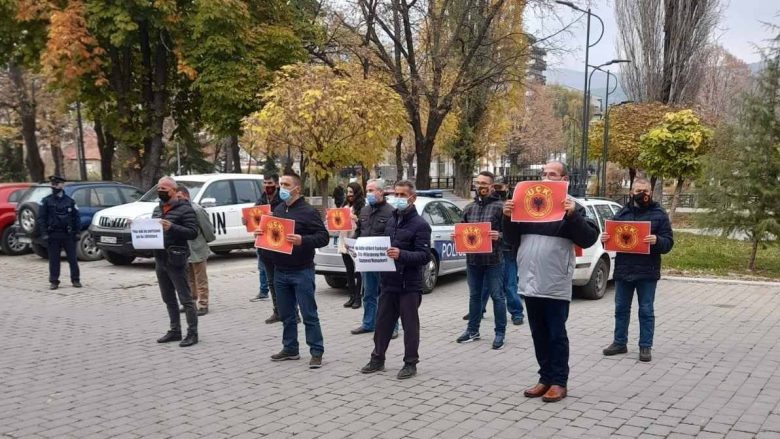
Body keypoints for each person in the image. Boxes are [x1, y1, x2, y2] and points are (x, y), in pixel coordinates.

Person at [503, 161, 599, 402]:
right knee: (538, 333)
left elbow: (588, 239)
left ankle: (559, 381)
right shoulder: (527, 205)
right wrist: (507, 217)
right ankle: (544, 378)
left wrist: (572, 216)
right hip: (529, 280)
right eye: (544, 174)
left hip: (555, 281)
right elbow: (512, 240)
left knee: (556, 334)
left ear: (564, 179)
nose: (546, 178)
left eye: (552, 174)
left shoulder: (571, 207)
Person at [361, 180, 431, 379]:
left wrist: (401, 254)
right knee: (382, 323)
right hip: (389, 282)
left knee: (410, 326)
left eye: (402, 195)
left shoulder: (421, 225)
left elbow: (424, 256)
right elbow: (384, 248)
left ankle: (410, 363)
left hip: (409, 284)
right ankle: (377, 358)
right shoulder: (391, 221)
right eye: (396, 195)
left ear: (412, 198)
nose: (398, 199)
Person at [601, 177, 673, 362]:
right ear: (631, 192)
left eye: (646, 191)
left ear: (651, 192)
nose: (642, 194)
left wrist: (657, 241)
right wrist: (605, 239)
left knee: (646, 310)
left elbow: (668, 242)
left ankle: (645, 346)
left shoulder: (659, 214)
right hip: (624, 270)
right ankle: (619, 342)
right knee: (621, 308)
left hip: (647, 271)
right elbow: (612, 240)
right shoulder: (622, 213)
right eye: (638, 190)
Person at [264, 171, 329, 368]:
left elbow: (323, 237)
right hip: (280, 270)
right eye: (280, 184)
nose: (281, 188)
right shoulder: (278, 208)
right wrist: (261, 231)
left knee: (309, 313)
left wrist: (303, 240)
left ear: (297, 189)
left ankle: (316, 351)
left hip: (302, 270)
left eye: (285, 184)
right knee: (286, 314)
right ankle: (290, 348)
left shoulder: (308, 212)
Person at [455, 171, 507, 349]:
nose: (481, 186)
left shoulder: (501, 207)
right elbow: (461, 228)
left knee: (497, 296)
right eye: (478, 183)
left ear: (492, 186)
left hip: (494, 260)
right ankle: (472, 330)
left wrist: (498, 235)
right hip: (473, 260)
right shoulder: (469, 207)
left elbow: (511, 236)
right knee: (474, 296)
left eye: (484, 183)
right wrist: (456, 236)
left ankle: (500, 333)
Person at [153, 176, 200, 347]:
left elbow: (193, 232)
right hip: (160, 258)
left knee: (185, 298)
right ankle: (175, 330)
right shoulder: (157, 209)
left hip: (176, 258)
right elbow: (152, 230)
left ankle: (192, 333)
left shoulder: (185, 209)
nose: (160, 192)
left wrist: (172, 227)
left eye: (164, 189)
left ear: (174, 191)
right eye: (158, 189)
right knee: (168, 297)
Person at [350, 179, 395, 334]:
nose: (368, 193)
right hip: (367, 260)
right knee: (368, 293)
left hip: (384, 261)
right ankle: (368, 323)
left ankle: (392, 326)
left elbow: (395, 236)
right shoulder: (364, 211)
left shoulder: (391, 212)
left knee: (387, 295)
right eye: (367, 190)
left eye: (371, 190)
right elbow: (360, 231)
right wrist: (354, 245)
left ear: (381, 192)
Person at [249, 174, 289, 324]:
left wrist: (275, 216)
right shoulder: (260, 200)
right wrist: (248, 221)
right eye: (265, 183)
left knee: (284, 281)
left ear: (276, 184)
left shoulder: (283, 199)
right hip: (265, 247)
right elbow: (255, 220)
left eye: (270, 183)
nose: (267, 185)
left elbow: (289, 220)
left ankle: (292, 312)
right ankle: (277, 311)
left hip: (279, 246)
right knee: (271, 281)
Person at [175, 187, 216, 316]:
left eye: (180, 197)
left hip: (197, 248)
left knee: (200, 279)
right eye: (176, 198)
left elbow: (207, 228)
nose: (178, 200)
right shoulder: (177, 211)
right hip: (184, 250)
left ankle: (203, 304)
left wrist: (207, 241)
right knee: (188, 279)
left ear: (186, 196)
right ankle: (191, 303)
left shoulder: (197, 210)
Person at [38, 175, 81, 290]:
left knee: (72, 259)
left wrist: (77, 232)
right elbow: (41, 218)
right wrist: (44, 233)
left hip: (68, 234)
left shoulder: (70, 201)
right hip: (53, 234)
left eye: (56, 184)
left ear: (62, 185)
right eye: (52, 184)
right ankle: (54, 281)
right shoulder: (46, 201)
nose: (54, 186)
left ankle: (75, 279)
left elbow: (76, 217)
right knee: (54, 260)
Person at [495, 179, 525, 326]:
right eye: (495, 187)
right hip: (493, 251)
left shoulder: (514, 203)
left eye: (500, 187)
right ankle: (478, 310)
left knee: (510, 284)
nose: (497, 189)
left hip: (507, 249)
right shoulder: (491, 204)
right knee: (486, 286)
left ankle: (517, 313)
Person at [340, 182, 365, 308]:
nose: (349, 195)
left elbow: (364, 222)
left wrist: (354, 217)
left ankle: (358, 298)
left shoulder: (363, 206)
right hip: (344, 240)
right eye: (347, 192)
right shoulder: (344, 205)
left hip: (356, 241)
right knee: (349, 270)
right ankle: (351, 297)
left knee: (358, 270)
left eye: (351, 192)